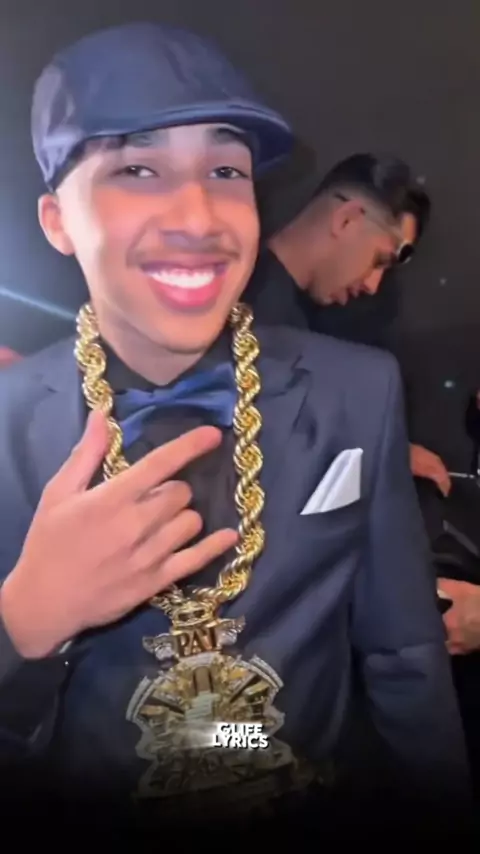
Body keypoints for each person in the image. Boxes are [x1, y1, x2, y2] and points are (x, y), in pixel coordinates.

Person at [0, 21, 470, 838]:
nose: (198, 215)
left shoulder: (358, 391)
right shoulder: (8, 425)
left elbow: (402, 657)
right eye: (136, 169)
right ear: (57, 221)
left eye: (226, 171)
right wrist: (22, 628)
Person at [247, 153, 451, 499]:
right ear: (346, 220)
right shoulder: (250, 313)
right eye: (379, 260)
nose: (373, 284)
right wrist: (380, 454)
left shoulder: (287, 311)